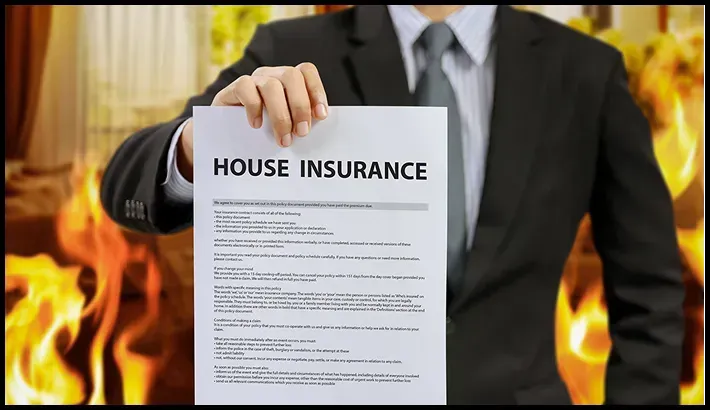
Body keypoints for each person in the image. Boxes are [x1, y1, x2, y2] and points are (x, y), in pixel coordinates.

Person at [100, 5, 685, 405]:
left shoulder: (585, 71)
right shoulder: (290, 49)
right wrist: (200, 144)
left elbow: (650, 285)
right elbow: (126, 183)